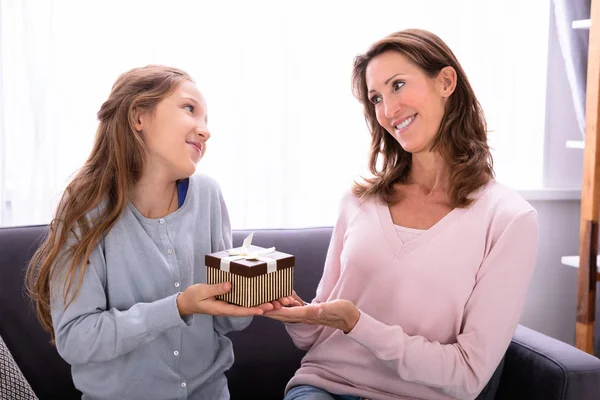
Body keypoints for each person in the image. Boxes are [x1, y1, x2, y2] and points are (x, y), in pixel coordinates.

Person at [264, 29, 539, 400]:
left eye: (398, 85)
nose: (388, 110)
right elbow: (315, 335)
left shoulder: (509, 220)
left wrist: (357, 324)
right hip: (322, 388)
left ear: (445, 81)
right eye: (376, 98)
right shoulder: (358, 202)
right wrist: (296, 314)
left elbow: (469, 374)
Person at [26, 65, 295, 400]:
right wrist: (179, 306)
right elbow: (77, 339)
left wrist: (252, 296)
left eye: (207, 120)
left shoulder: (208, 195)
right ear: (139, 116)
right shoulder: (84, 207)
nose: (205, 131)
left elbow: (222, 322)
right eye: (189, 109)